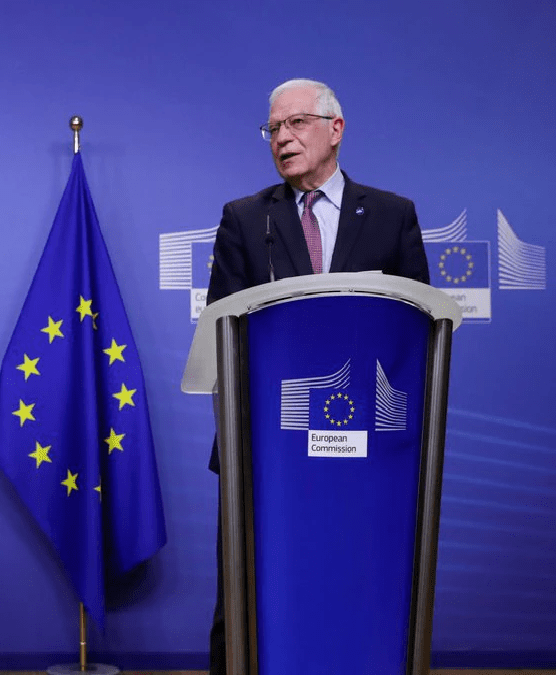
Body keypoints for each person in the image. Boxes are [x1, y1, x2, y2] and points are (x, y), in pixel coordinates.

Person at [204, 78, 429, 674]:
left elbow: (419, 333)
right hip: (266, 449)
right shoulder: (247, 220)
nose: (282, 138)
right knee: (250, 591)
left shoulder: (391, 216)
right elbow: (220, 331)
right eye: (273, 128)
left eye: (296, 123)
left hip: (370, 450)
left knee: (358, 584)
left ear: (336, 129)